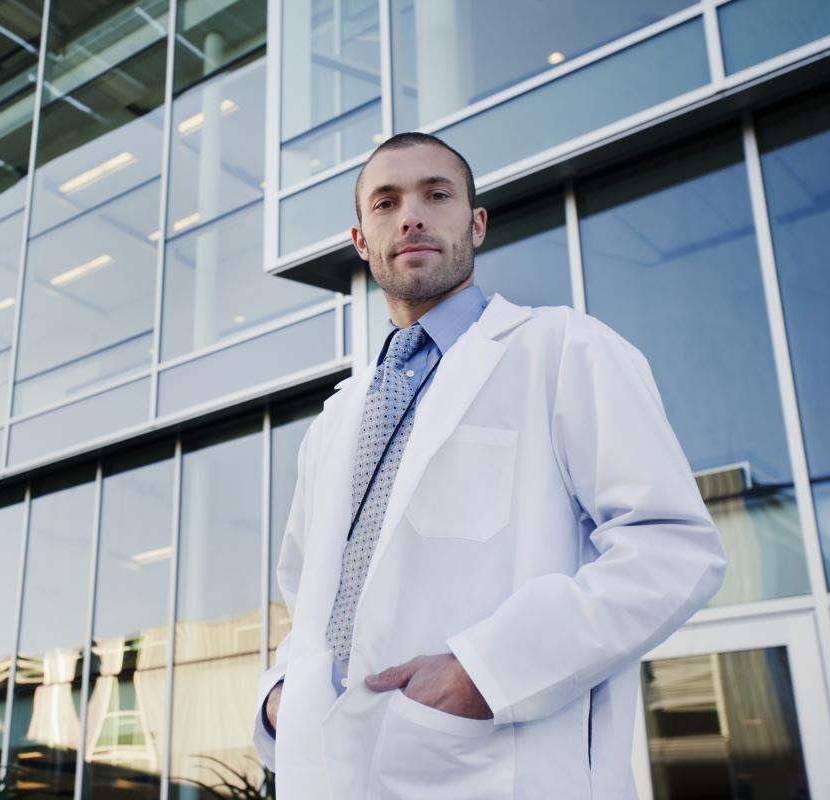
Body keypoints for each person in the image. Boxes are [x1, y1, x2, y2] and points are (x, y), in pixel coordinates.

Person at [253, 132, 727, 800]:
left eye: (436, 194)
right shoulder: (336, 421)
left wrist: (484, 671)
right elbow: (306, 598)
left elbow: (672, 548)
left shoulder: (563, 351)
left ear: (476, 223)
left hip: (488, 768)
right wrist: (280, 697)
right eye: (386, 203)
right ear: (362, 241)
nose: (411, 215)